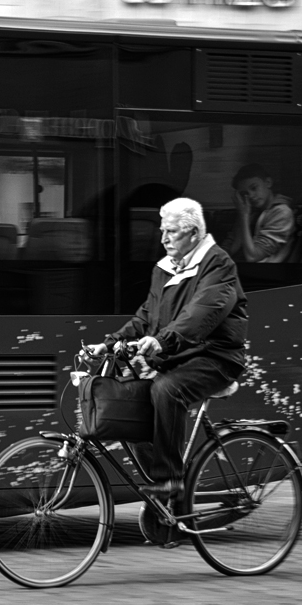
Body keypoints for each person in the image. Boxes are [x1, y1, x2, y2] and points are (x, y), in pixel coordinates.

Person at [86, 197, 248, 497]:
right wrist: (109, 344)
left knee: (166, 390)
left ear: (194, 233)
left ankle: (170, 480)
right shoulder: (164, 268)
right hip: (181, 356)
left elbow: (202, 312)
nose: (162, 239)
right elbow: (147, 315)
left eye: (171, 232)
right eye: (163, 230)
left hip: (216, 357)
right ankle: (164, 508)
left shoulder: (218, 263)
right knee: (130, 411)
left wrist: (162, 341)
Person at [224, 163, 296, 263]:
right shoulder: (249, 211)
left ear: (268, 182)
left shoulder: (282, 212)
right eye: (245, 193)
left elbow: (252, 257)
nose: (251, 196)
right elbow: (232, 245)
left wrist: (244, 216)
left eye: (254, 188)